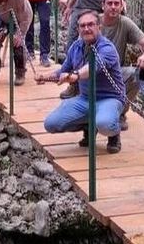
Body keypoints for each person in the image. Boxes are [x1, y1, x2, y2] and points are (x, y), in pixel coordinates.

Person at [36, 10, 126, 153]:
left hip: (109, 99)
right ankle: (89, 126)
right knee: (51, 124)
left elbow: (93, 67)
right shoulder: (76, 47)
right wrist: (45, 77)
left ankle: (114, 133)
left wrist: (77, 75)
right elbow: (64, 70)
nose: (86, 29)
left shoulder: (107, 48)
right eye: (82, 26)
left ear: (99, 27)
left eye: (90, 24)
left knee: (105, 123)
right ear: (78, 29)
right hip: (85, 99)